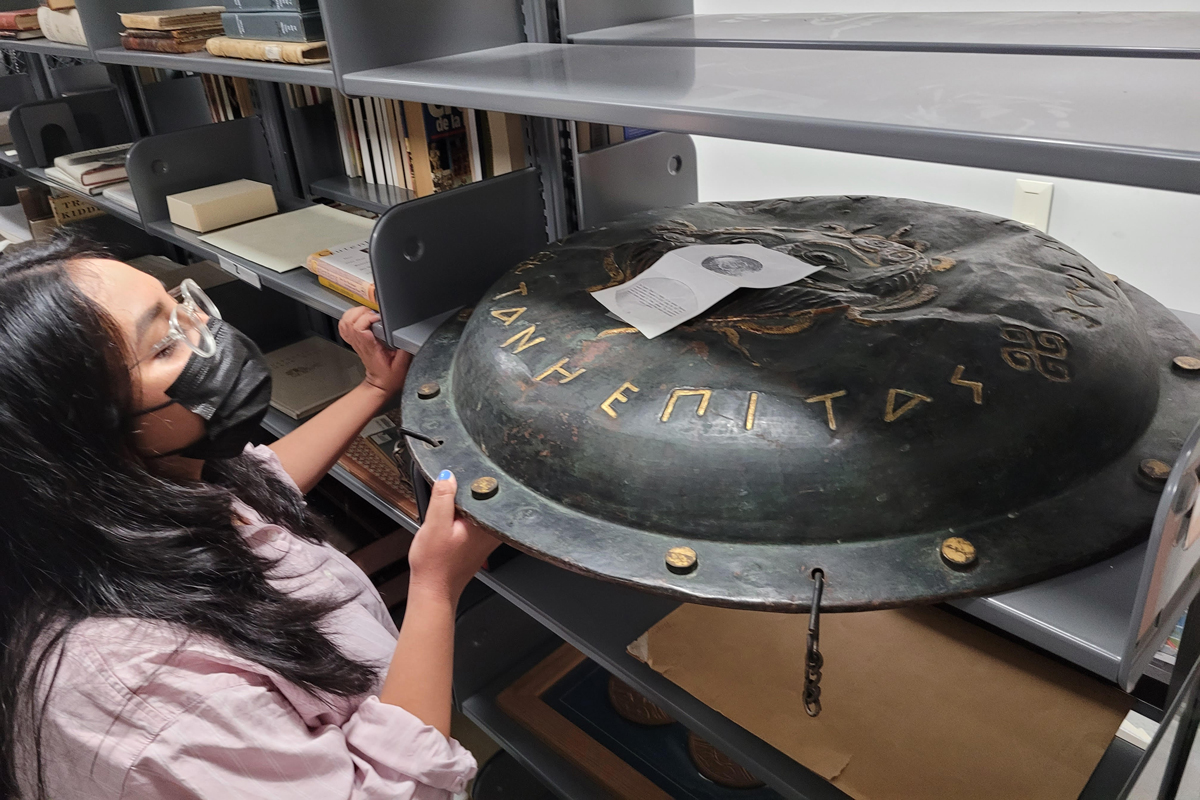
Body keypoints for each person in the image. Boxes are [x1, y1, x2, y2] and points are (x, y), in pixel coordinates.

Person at [0, 236, 500, 799]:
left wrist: (374, 388)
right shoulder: (144, 691)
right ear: (84, 434)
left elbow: (258, 483)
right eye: (165, 345)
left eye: (182, 305)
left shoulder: (137, 493)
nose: (208, 335)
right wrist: (435, 589)